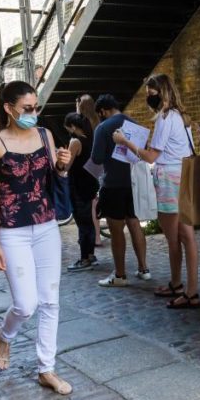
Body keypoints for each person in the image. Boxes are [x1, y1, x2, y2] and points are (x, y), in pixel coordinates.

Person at [0, 80, 73, 394]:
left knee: (50, 301)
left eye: (36, 108)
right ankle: (4, 336)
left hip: (46, 226)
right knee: (25, 304)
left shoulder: (45, 136)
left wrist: (63, 167)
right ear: (9, 108)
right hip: (12, 232)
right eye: (27, 108)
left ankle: (46, 369)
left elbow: (55, 179)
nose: (34, 113)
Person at [112, 74, 200, 309]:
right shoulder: (182, 116)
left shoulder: (165, 117)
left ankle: (185, 289)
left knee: (176, 238)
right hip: (182, 175)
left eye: (151, 93)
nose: (148, 97)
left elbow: (151, 156)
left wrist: (124, 142)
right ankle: (181, 285)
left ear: (161, 92)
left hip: (170, 178)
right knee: (185, 236)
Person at [90, 94, 150, 287]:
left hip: (113, 184)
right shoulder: (135, 124)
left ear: (103, 111)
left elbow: (97, 158)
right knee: (135, 225)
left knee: (117, 231)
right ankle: (144, 269)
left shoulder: (103, 127)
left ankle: (120, 275)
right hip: (133, 182)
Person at [63, 112, 100, 271]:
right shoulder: (91, 138)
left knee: (82, 223)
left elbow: (66, 166)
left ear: (72, 126)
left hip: (78, 185)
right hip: (90, 183)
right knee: (88, 221)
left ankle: (85, 258)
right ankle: (91, 255)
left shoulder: (75, 141)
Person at [76, 93, 103, 246]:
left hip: (86, 167)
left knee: (91, 204)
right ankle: (98, 236)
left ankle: (96, 236)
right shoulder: (98, 121)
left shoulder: (82, 123)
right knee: (96, 202)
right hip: (99, 165)